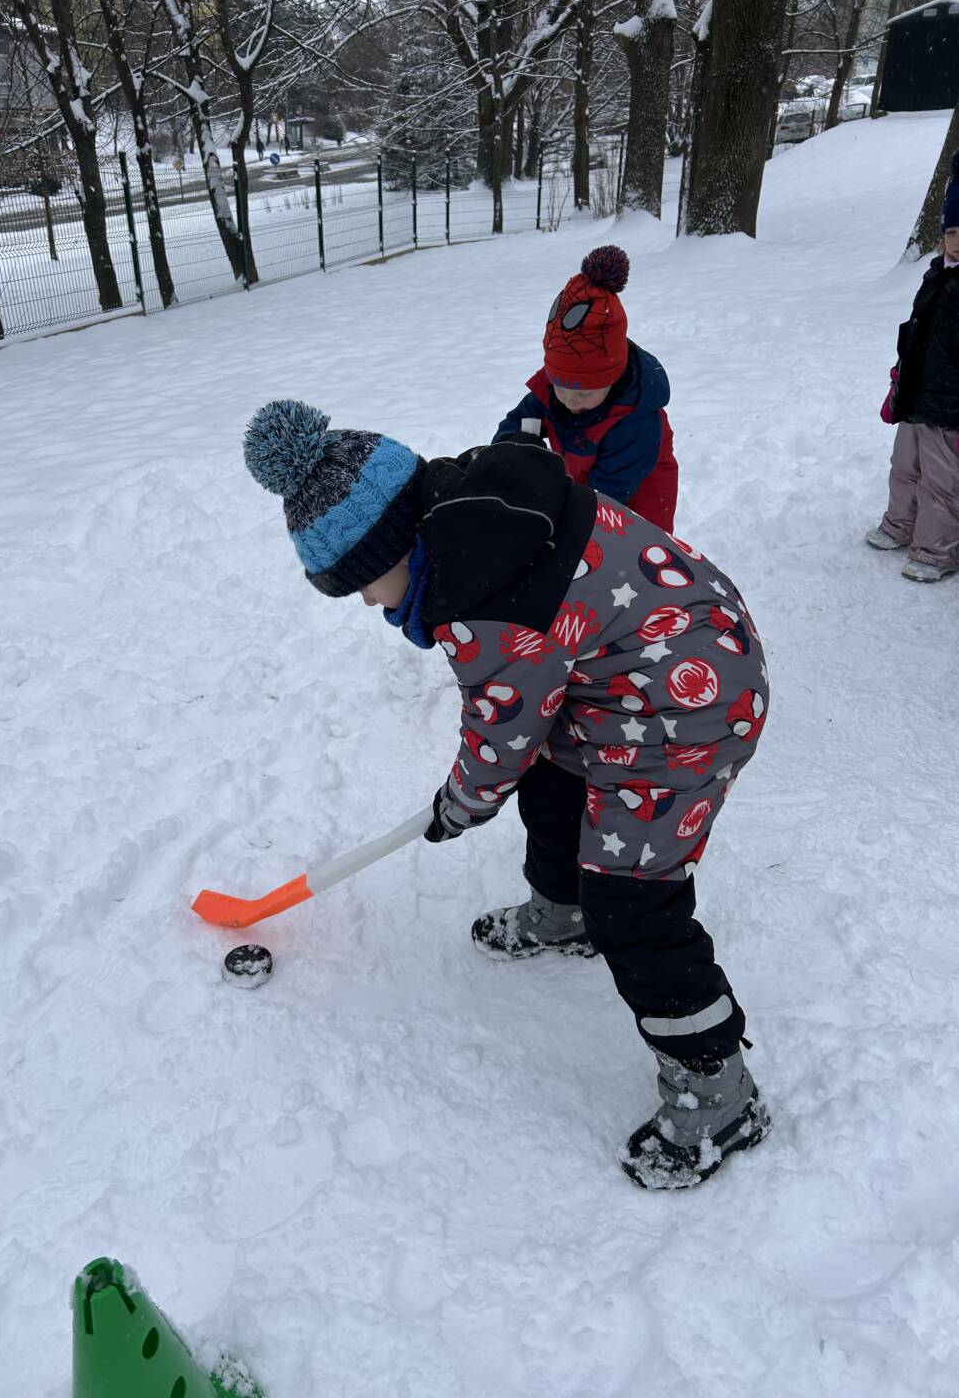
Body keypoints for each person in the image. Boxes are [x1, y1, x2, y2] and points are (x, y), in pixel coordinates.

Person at [242, 399, 771, 1190]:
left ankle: (717, 1095)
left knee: (633, 901)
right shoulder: (477, 514)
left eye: (363, 583)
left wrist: (461, 802)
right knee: (553, 782)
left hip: (687, 710)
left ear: (392, 545)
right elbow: (529, 727)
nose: (370, 603)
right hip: (655, 662)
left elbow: (502, 732)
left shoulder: (484, 599)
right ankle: (562, 914)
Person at [493, 245, 679, 531]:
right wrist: (514, 449)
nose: (570, 401)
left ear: (613, 380)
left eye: (584, 393)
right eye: (560, 387)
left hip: (636, 507)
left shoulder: (635, 423)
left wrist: (556, 508)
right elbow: (520, 420)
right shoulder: (554, 391)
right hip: (584, 492)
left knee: (623, 547)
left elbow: (606, 496)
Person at [865, 153, 959, 583]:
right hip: (917, 393)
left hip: (951, 405)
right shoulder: (936, 274)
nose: (956, 241)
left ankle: (938, 550)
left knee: (942, 480)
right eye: (951, 232)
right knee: (904, 466)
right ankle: (901, 524)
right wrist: (901, 371)